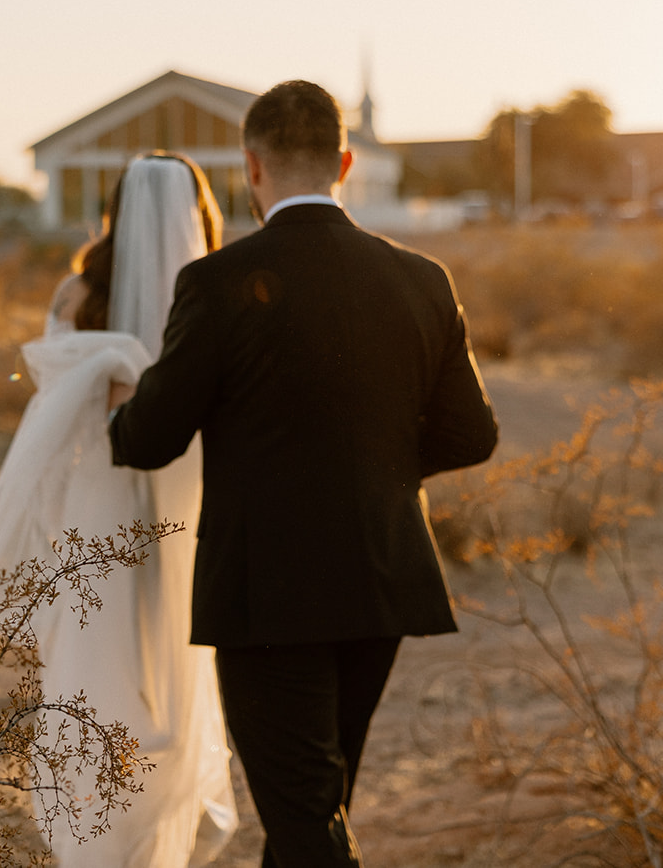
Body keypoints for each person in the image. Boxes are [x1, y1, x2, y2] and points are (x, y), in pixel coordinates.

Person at [108, 81, 498, 866]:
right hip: (381, 580)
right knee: (315, 807)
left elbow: (149, 440)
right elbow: (472, 433)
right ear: (346, 162)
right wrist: (368, 463)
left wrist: (120, 402)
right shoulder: (423, 278)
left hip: (268, 593)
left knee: (304, 818)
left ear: (251, 166)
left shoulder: (217, 283)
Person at [0, 153, 238, 867]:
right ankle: (153, 837)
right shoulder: (216, 288)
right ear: (199, 211)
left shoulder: (78, 292)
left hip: (98, 497)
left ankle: (95, 836)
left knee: (96, 653)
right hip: (185, 486)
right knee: (174, 652)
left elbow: (53, 394)